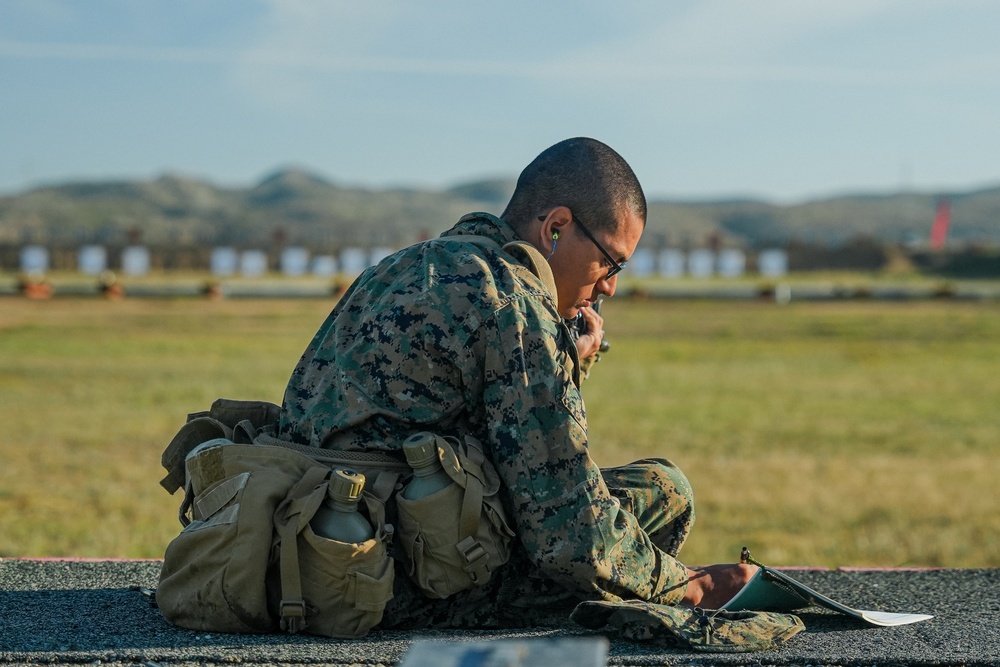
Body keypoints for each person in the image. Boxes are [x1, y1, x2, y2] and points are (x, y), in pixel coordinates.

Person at [277, 137, 755, 628]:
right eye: (611, 262)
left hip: (308, 555)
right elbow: (569, 532)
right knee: (665, 491)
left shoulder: (403, 266)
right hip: (392, 585)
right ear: (556, 227)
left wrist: (568, 360)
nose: (610, 285)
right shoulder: (516, 305)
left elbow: (492, 430)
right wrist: (689, 585)